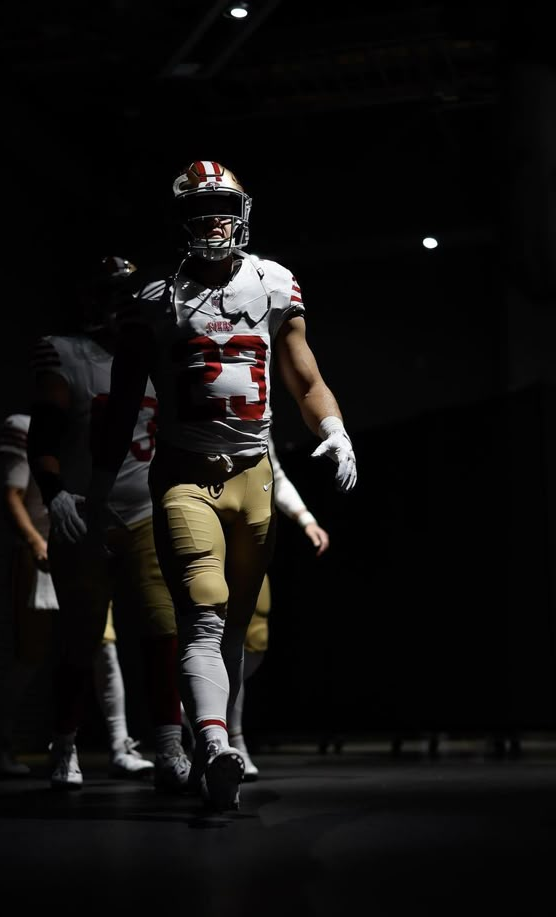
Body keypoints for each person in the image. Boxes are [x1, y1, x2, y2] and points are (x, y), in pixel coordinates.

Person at [85, 160, 357, 812]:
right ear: (181, 219)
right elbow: (123, 402)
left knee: (233, 623)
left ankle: (222, 734)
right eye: (201, 207)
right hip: (185, 474)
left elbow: (303, 371)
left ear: (244, 209)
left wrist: (335, 426)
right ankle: (213, 744)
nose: (215, 217)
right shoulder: (153, 300)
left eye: (223, 204)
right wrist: (98, 483)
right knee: (203, 610)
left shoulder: (272, 282)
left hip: (253, 474)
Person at [27, 256, 191, 792]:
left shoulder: (161, 357)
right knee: (81, 638)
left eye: (128, 295)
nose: (120, 307)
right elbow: (46, 432)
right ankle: (65, 746)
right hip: (87, 511)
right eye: (111, 295)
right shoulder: (67, 354)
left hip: (146, 508)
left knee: (164, 630)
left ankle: (169, 744)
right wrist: (55, 495)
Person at [0, 412, 154, 784]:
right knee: (31, 653)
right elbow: (11, 495)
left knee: (104, 648)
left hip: (82, 548)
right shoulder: (24, 426)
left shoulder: (87, 425)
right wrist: (35, 542)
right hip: (43, 550)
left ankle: (118, 745)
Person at [227, 431, 330, 781]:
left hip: (248, 543)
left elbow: (276, 475)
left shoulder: (259, 419)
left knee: (252, 644)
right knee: (208, 638)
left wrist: (306, 519)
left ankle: (202, 709)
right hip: (208, 534)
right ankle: (228, 736)